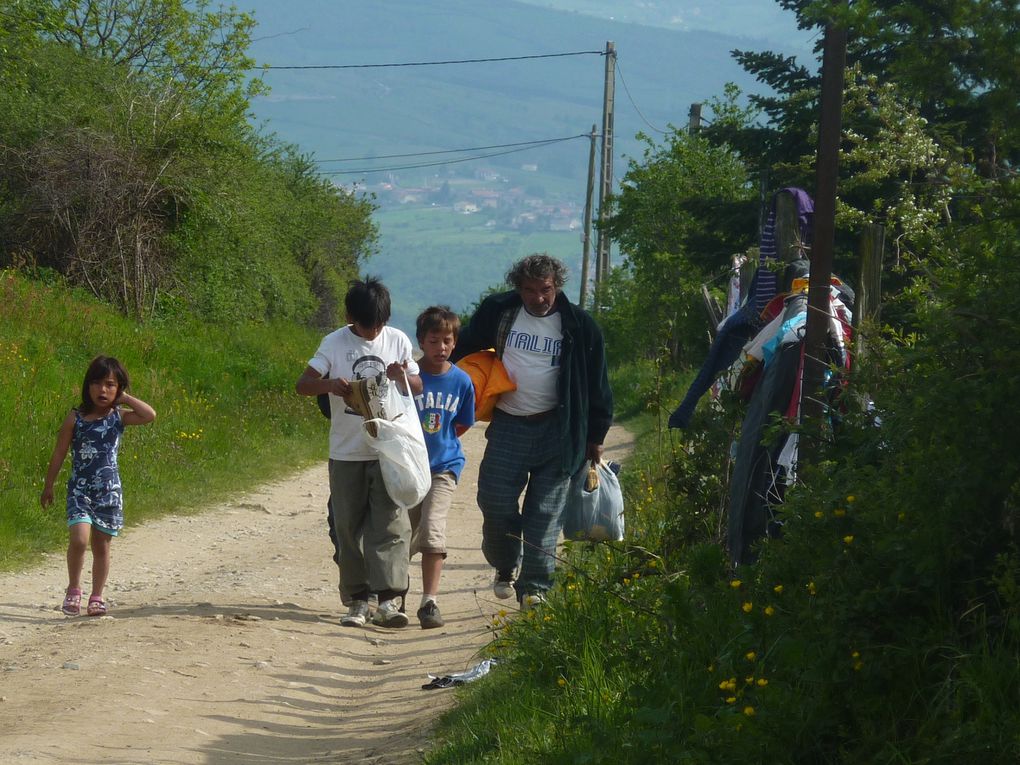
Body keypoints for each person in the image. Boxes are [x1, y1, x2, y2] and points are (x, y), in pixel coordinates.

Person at [450, 253, 613, 608]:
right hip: (509, 424)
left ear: (557, 286)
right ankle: (506, 563)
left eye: (546, 289)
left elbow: (598, 383)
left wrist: (596, 437)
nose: (538, 298)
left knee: (545, 514)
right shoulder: (499, 312)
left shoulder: (580, 327)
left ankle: (535, 590)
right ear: (518, 288)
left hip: (559, 430)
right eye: (530, 290)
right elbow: (461, 348)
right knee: (493, 501)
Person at [295, 277, 422, 629]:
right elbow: (302, 384)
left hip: (388, 450)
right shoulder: (334, 343)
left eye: (378, 325)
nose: (373, 332)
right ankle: (357, 600)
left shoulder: (397, 340)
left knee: (392, 524)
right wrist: (329, 385)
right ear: (351, 318)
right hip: (347, 452)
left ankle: (389, 599)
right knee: (347, 526)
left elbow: (417, 385)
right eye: (366, 325)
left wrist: (401, 377)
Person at [40, 355, 157, 616]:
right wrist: (49, 485)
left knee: (102, 546)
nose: (102, 390)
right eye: (96, 383)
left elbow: (149, 415)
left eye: (110, 384)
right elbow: (59, 453)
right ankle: (73, 590)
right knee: (79, 540)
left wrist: (125, 398)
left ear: (118, 388)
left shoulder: (119, 417)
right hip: (80, 490)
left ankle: (96, 596)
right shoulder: (76, 418)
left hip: (108, 492)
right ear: (87, 386)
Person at [409, 306, 476, 629]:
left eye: (447, 341)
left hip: (443, 466)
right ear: (421, 341)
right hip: (409, 466)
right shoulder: (410, 378)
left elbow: (461, 423)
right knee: (403, 531)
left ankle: (429, 601)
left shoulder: (461, 381)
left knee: (432, 526)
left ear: (455, 342)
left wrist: (442, 443)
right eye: (434, 341)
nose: (441, 348)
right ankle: (390, 596)